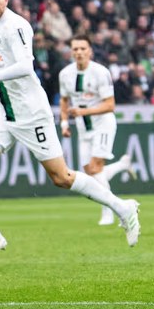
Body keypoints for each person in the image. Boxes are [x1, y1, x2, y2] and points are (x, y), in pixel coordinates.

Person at [0, 0, 140, 264]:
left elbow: (24, 66)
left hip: (31, 113)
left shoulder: (17, 25)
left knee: (62, 177)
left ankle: (123, 207)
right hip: (4, 111)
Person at [59, 34, 137, 226]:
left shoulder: (100, 72)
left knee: (94, 168)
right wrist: (64, 123)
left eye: (83, 48)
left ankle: (111, 211)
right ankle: (122, 165)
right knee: (91, 172)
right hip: (83, 128)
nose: (79, 52)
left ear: (90, 51)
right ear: (71, 52)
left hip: (103, 124)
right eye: (75, 49)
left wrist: (84, 111)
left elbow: (110, 105)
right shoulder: (65, 74)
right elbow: (64, 100)